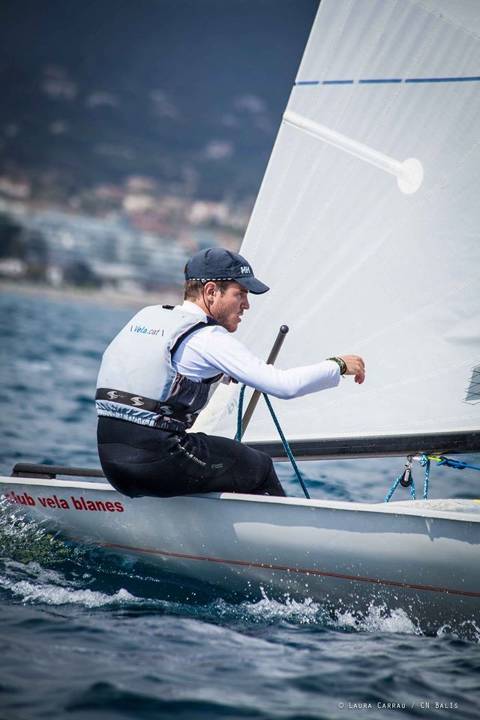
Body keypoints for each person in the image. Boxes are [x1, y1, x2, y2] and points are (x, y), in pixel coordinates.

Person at [96, 247, 365, 498]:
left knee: (216, 455)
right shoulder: (208, 338)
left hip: (112, 464)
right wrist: (338, 365)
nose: (246, 305)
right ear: (211, 291)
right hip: (156, 463)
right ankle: (288, 541)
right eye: (241, 293)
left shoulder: (149, 318)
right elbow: (284, 386)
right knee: (258, 466)